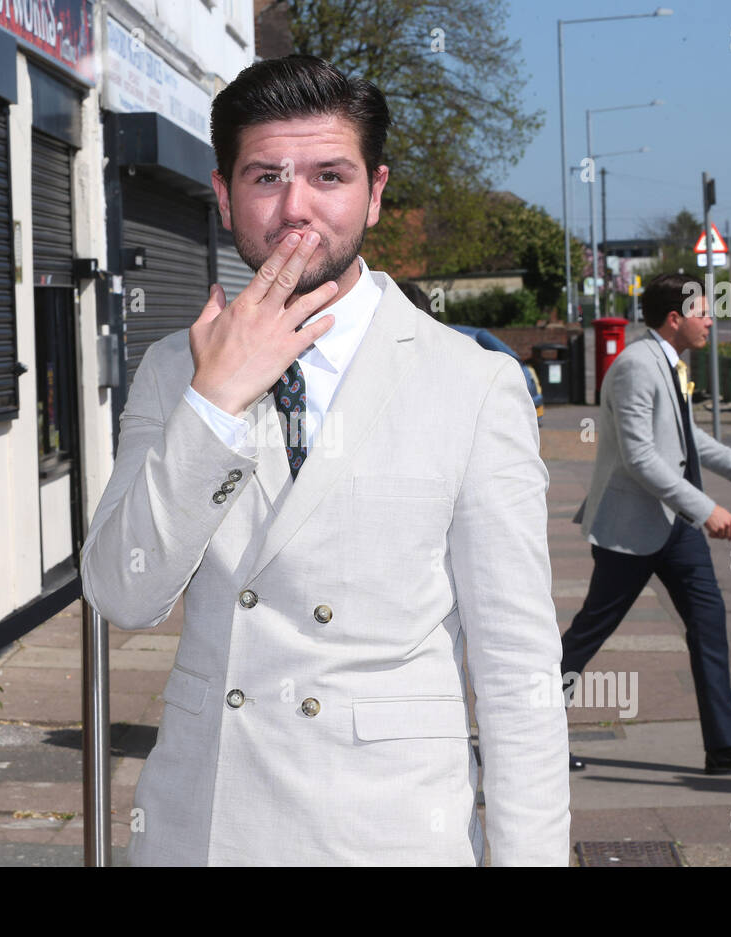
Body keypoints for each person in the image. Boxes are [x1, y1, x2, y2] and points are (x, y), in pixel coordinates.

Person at [79, 54, 569, 865]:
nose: (295, 206)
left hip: (390, 835)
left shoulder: (473, 384)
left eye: (328, 175)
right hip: (208, 829)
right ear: (223, 191)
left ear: (375, 193)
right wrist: (216, 404)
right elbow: (122, 593)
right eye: (266, 175)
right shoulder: (178, 368)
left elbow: (517, 669)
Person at [564, 272, 731, 775]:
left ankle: (724, 747)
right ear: (675, 319)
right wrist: (705, 508)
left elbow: (687, 439)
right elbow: (640, 458)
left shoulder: (668, 363)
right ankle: (528, 736)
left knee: (709, 628)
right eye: (703, 313)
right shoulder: (636, 367)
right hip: (631, 529)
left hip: (674, 528)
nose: (711, 322)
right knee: (588, 634)